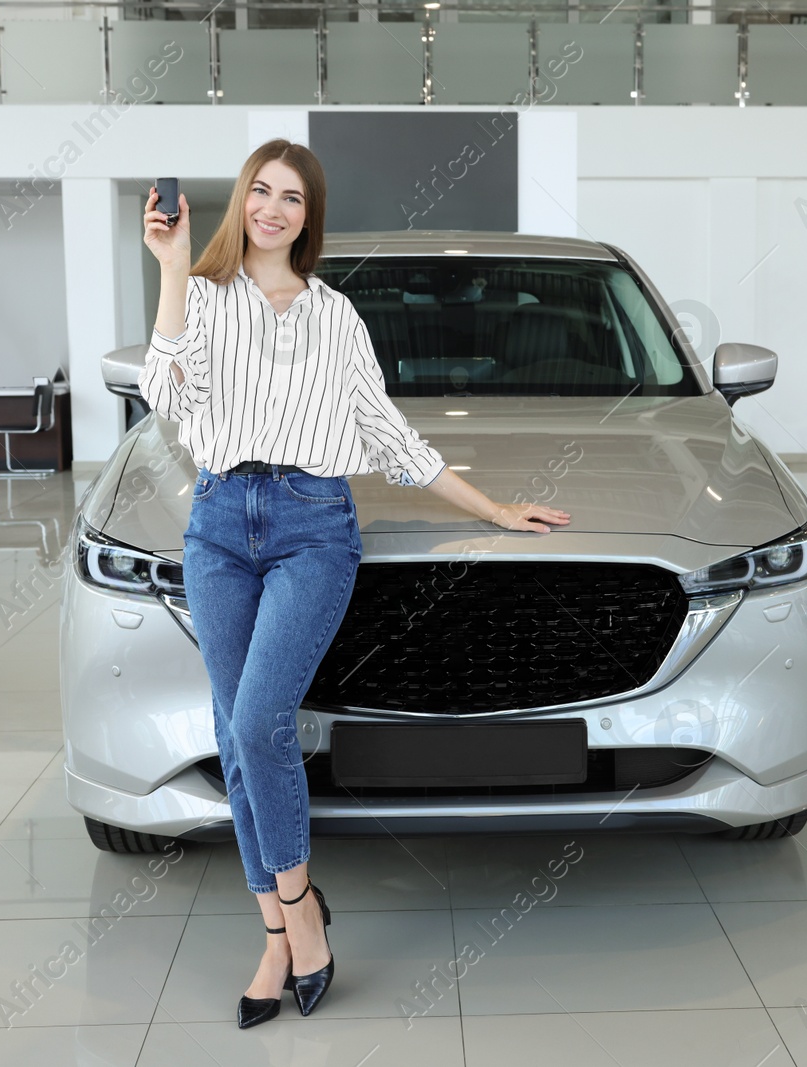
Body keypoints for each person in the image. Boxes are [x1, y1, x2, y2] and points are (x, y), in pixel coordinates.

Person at [138, 139, 571, 1029]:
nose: (272, 209)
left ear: (309, 215)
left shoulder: (335, 315)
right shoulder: (207, 300)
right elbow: (168, 396)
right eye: (260, 191)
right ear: (241, 203)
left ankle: (299, 911)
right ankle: (280, 930)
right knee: (233, 729)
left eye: (291, 197)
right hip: (218, 524)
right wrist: (174, 269)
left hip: (310, 527)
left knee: (260, 720)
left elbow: (388, 434)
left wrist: (490, 509)